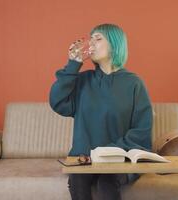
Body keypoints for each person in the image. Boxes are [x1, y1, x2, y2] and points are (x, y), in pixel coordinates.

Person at [49, 23, 153, 200]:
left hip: (120, 159)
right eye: (91, 39)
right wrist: (73, 65)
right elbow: (57, 102)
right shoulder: (83, 80)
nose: (91, 43)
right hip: (84, 159)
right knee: (78, 183)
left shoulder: (134, 84)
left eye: (98, 38)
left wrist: (107, 152)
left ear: (114, 44)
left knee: (107, 184)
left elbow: (141, 131)